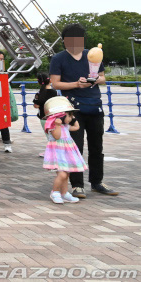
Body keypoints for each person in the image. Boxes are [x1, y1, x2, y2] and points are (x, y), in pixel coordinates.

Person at [49, 23, 118, 198]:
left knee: (97, 147)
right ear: (64, 41)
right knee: (75, 147)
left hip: (94, 106)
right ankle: (77, 185)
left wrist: (94, 80)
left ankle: (97, 182)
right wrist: (76, 84)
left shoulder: (93, 55)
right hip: (72, 109)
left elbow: (102, 77)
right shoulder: (58, 58)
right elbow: (55, 83)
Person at [42, 96, 85, 204]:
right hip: (58, 154)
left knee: (66, 174)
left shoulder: (65, 126)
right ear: (59, 116)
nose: (71, 118)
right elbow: (57, 136)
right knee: (62, 175)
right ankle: (55, 192)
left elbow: (76, 127)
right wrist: (57, 124)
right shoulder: (54, 127)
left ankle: (64, 193)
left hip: (66, 154)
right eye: (69, 115)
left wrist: (73, 119)